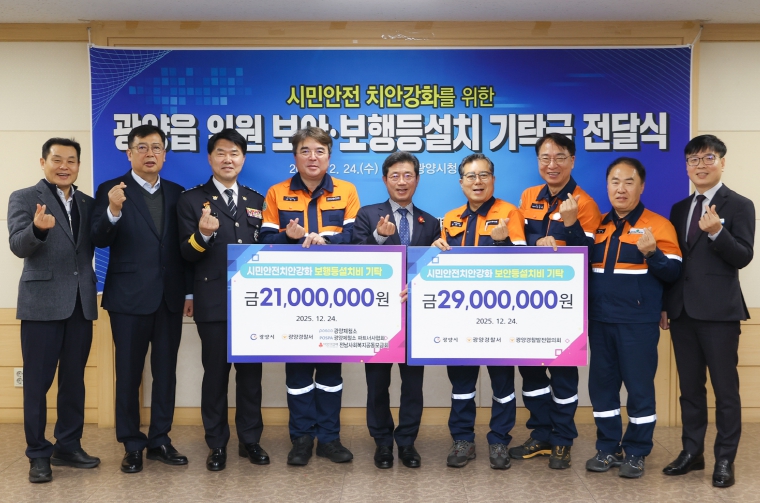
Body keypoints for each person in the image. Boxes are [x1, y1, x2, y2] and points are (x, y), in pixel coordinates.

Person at [91, 124, 191, 473]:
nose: (150, 153)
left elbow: (182, 249)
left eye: (157, 147)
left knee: (165, 373)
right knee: (129, 374)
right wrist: (113, 210)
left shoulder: (178, 193)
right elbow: (98, 238)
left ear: (165, 153)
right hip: (128, 299)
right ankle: (132, 444)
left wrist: (188, 291)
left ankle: (160, 439)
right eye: (142, 147)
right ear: (129, 153)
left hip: (169, 298)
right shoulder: (111, 190)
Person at [260, 126, 360, 466]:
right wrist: (288, 238)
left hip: (335, 295)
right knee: (298, 372)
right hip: (293, 296)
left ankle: (329, 439)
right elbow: (263, 239)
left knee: (331, 373)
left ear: (329, 156)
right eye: (305, 151)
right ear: (295, 157)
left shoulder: (346, 191)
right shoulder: (277, 193)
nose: (312, 157)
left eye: (319, 151)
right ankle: (301, 439)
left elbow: (356, 236)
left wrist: (326, 241)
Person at [662, 135, 755, 488]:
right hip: (683, 312)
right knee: (690, 389)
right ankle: (692, 452)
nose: (700, 165)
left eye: (708, 158)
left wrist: (717, 232)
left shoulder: (740, 205)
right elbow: (676, 262)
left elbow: (743, 256)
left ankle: (725, 459)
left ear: (722, 162)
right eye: (694, 160)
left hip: (719, 314)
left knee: (725, 391)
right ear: (686, 167)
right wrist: (666, 305)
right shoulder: (679, 208)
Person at [8, 138, 100, 483]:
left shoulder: (88, 203)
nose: (64, 166)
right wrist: (37, 230)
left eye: (71, 161)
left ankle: (68, 445)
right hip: (41, 304)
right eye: (57, 159)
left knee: (73, 381)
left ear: (78, 166)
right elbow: (18, 245)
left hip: (80, 303)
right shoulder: (23, 197)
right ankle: (37, 454)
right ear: (43, 162)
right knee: (37, 383)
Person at [177, 129, 268, 471]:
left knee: (251, 377)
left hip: (254, 304)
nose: (228, 159)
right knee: (215, 375)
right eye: (221, 153)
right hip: (212, 299)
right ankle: (216, 444)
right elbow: (185, 254)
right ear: (210, 158)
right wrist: (203, 234)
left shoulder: (257, 200)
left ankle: (250, 440)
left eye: (235, 153)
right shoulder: (191, 200)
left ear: (243, 159)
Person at [585, 157, 681, 478]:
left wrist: (652, 254)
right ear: (607, 186)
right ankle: (608, 447)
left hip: (637, 322)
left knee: (639, 389)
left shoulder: (659, 225)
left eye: (629, 182)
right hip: (600, 321)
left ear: (641, 187)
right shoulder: (598, 225)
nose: (621, 188)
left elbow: (674, 272)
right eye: (615, 182)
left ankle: (637, 451)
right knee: (602, 388)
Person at [510, 133, 601, 469]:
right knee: (531, 374)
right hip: (527, 304)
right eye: (545, 158)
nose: (552, 164)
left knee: (563, 375)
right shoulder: (528, 196)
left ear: (572, 161)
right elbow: (519, 242)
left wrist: (571, 225)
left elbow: (591, 255)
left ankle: (562, 439)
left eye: (560, 157)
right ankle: (541, 434)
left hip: (564, 306)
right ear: (537, 162)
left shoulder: (584, 203)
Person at [432, 153, 526, 470]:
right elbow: (441, 268)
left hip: (499, 317)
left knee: (502, 385)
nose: (477, 182)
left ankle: (499, 440)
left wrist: (502, 244)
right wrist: (433, 251)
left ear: (493, 180)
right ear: (461, 183)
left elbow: (525, 267)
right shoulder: (450, 218)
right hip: (459, 318)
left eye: (484, 175)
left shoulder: (509, 213)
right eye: (471, 176)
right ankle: (463, 440)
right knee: (462, 385)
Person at [352, 151, 440, 469]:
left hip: (415, 317)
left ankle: (406, 443)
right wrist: (379, 237)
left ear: (417, 179)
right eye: (395, 176)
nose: (402, 182)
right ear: (385, 179)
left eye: (408, 175)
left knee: (412, 385)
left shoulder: (431, 222)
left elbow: (433, 271)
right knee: (377, 384)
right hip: (377, 314)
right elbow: (355, 257)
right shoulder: (367, 215)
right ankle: (382, 443)